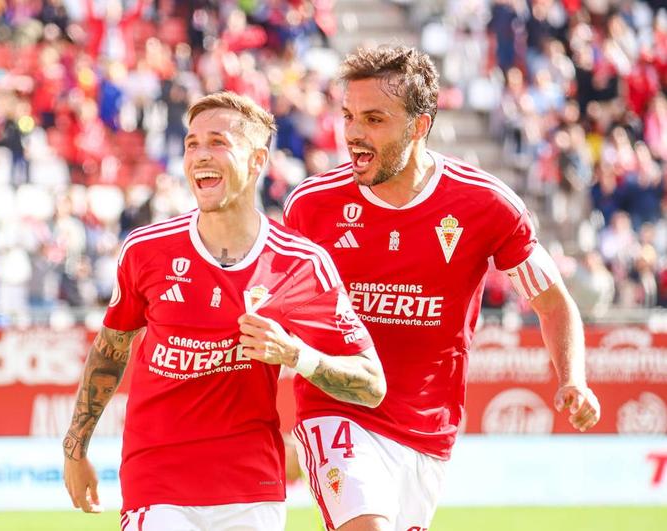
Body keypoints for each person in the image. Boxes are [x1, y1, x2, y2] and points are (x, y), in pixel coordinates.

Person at [283, 45, 602, 531]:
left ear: (419, 125)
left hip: (428, 430)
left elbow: (553, 303)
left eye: (374, 119)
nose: (353, 134)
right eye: (348, 116)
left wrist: (572, 379)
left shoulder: (487, 206)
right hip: (337, 410)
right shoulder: (311, 206)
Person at [62, 91, 386, 531]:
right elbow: (110, 350)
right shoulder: (146, 250)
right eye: (191, 144)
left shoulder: (301, 264)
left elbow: (371, 385)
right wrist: (75, 448)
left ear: (256, 161)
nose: (199, 156)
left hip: (251, 492)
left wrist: (295, 355)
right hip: (158, 489)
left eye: (216, 142)